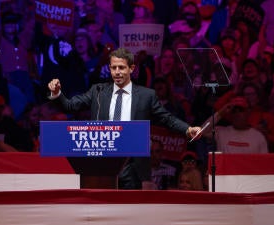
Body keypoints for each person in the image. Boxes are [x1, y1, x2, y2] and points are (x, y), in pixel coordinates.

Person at [48, 47, 202, 189]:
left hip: (133, 166)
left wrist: (187, 129)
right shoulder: (98, 91)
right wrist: (57, 94)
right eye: (113, 68)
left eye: (121, 67)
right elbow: (69, 106)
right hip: (100, 165)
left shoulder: (146, 95)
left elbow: (167, 118)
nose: (117, 72)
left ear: (131, 69)